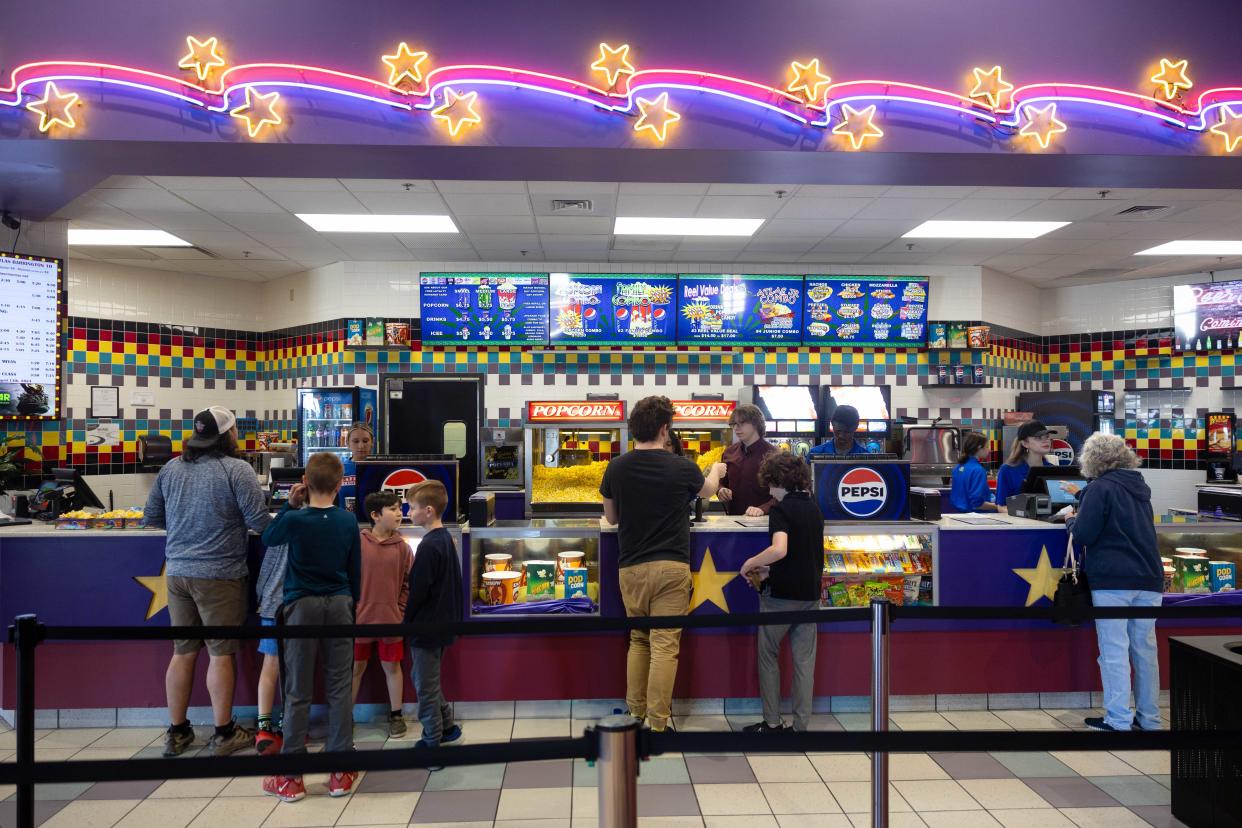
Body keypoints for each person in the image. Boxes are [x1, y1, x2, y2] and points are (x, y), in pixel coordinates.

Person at [144, 406, 270, 758]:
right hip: (220, 574)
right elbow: (260, 522)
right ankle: (224, 732)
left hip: (178, 573)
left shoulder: (171, 468)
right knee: (219, 653)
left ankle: (178, 732)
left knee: (182, 652)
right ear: (229, 436)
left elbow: (152, 517)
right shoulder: (237, 469)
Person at [600, 395, 728, 733]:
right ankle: (658, 724)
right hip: (671, 567)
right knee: (664, 645)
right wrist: (715, 469)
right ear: (664, 428)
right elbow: (709, 491)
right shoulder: (682, 467)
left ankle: (635, 713)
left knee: (639, 641)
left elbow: (610, 519)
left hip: (631, 568)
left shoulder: (616, 467)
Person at [261, 452, 361, 803]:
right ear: (339, 484)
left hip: (300, 606)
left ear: (305, 480)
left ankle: (291, 777)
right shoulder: (348, 522)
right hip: (339, 605)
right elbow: (355, 570)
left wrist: (289, 506)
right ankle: (340, 772)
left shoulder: (297, 520)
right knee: (338, 687)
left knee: (297, 689)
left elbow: (268, 537)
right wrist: (353, 604)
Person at [1066, 433, 1163, 732]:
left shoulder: (1100, 488)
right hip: (1148, 576)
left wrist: (1070, 519)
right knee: (1145, 651)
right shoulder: (1138, 486)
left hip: (1113, 579)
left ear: (1092, 458)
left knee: (1114, 651)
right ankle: (1149, 719)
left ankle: (1118, 719)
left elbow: (1084, 533)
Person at [739, 452, 823, 733]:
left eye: (770, 485)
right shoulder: (814, 507)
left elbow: (780, 549)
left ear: (777, 482)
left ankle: (772, 723)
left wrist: (751, 563)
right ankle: (800, 727)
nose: (769, 491)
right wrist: (770, 571)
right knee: (804, 661)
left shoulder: (781, 510)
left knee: (768, 655)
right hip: (810, 594)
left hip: (781, 598)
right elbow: (801, 554)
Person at [404, 480, 464, 751]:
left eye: (411, 507)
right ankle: (448, 726)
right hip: (443, 623)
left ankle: (432, 741)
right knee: (426, 677)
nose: (407, 512)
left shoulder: (428, 546)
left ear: (428, 510)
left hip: (426, 626)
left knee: (424, 685)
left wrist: (407, 620)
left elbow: (418, 590)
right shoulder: (446, 539)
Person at [352, 491, 414, 739]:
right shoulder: (357, 543)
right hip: (359, 621)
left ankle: (396, 715)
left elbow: (407, 584)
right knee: (355, 668)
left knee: (393, 667)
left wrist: (399, 610)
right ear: (375, 515)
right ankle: (345, 717)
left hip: (391, 621)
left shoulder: (403, 548)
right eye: (393, 509)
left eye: (400, 508)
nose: (399, 513)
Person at [254, 540, 289, 755]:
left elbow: (266, 571)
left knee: (271, 664)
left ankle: (264, 727)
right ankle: (289, 723)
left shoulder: (281, 527)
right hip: (301, 607)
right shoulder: (317, 525)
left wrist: (261, 597)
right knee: (295, 669)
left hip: (272, 606)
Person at [718, 403, 777, 517]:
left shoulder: (774, 455)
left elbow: (786, 493)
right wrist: (721, 490)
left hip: (765, 523)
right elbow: (721, 482)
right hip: (733, 521)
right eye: (734, 424)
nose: (736, 428)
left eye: (742, 423)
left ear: (756, 423)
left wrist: (763, 509)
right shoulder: (729, 452)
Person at [995, 420, 1059, 509]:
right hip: (1021, 522)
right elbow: (1001, 506)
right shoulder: (1008, 470)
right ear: (1025, 443)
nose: (1045, 441)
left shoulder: (1054, 470)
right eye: (1038, 438)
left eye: (1047, 437)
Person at [949, 431, 998, 512]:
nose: (989, 450)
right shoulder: (978, 470)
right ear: (979, 447)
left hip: (958, 516)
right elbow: (977, 504)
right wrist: (999, 507)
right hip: (975, 519)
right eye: (987, 447)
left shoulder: (958, 467)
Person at [808, 405, 873, 456]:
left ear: (856, 427)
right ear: (832, 425)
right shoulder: (815, 454)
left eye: (847, 432)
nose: (841, 435)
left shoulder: (866, 457)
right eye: (838, 431)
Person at [341, 422, 374, 512]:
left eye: (365, 441)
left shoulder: (378, 468)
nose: (361, 446)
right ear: (347, 443)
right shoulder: (339, 469)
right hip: (345, 522)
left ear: (372, 442)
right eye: (355, 441)